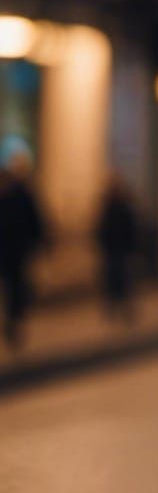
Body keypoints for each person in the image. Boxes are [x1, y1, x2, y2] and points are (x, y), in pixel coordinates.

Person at [0, 146, 49, 351]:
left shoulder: (23, 196)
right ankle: (13, 322)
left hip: (16, 252)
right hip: (10, 251)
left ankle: (14, 323)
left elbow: (35, 223)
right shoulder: (14, 196)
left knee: (16, 289)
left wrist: (37, 243)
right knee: (13, 289)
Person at [94, 172, 143, 325]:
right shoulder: (111, 207)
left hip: (119, 250)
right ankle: (117, 310)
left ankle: (122, 310)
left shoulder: (119, 207)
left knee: (122, 281)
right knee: (116, 282)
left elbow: (131, 228)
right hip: (115, 249)